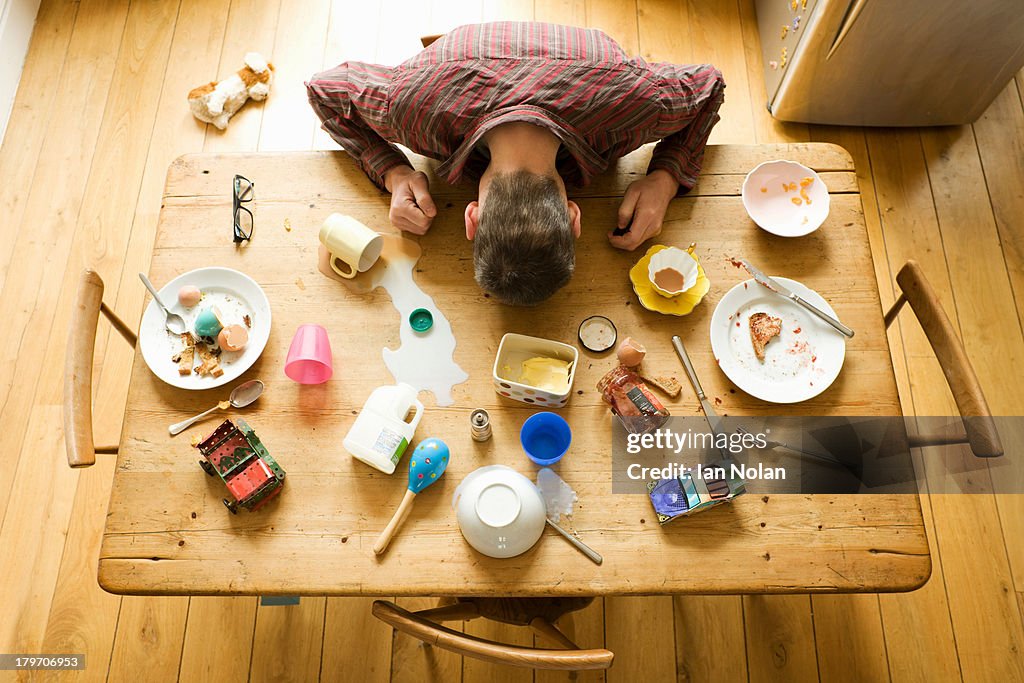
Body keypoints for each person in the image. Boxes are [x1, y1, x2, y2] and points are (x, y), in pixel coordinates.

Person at [307, 22, 724, 305]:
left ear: (472, 218)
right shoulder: (412, 108)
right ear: (574, 217)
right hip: (465, 69)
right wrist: (393, 170)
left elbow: (710, 84)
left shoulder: (634, 104)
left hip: (593, 71)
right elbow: (322, 90)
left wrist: (665, 179)